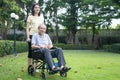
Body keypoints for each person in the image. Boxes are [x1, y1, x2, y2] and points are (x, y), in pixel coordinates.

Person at [26, 3, 44, 67]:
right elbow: (27, 28)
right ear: (33, 9)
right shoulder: (30, 17)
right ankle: (29, 66)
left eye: (38, 7)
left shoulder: (41, 17)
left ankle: (36, 67)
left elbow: (43, 28)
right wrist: (28, 37)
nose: (37, 8)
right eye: (36, 7)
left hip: (39, 36)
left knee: (37, 52)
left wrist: (43, 36)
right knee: (30, 52)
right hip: (31, 35)